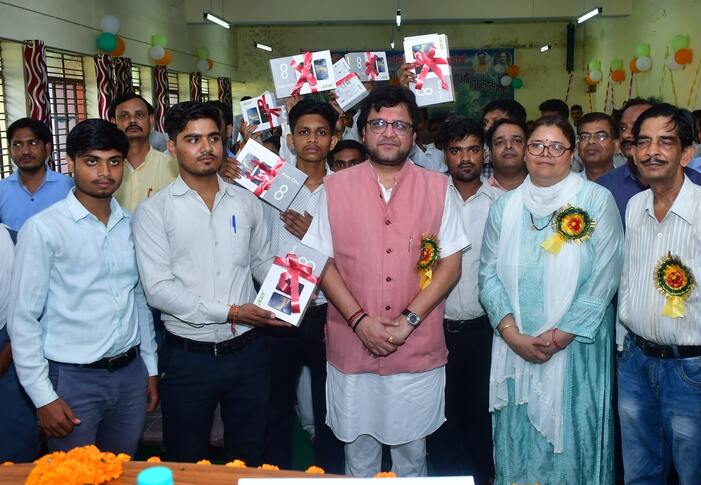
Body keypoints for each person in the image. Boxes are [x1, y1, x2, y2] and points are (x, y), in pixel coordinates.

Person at [302, 85, 468, 477]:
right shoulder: (333, 189)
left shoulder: (438, 187)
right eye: (378, 123)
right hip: (351, 346)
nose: (389, 132)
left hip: (416, 346)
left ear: (413, 134)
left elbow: (451, 265)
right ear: (362, 133)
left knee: (412, 455)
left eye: (400, 125)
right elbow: (321, 262)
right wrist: (359, 320)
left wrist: (409, 320)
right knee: (359, 455)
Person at [132, 101, 284, 466]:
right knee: (186, 458)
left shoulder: (246, 201)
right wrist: (232, 312)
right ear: (173, 147)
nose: (206, 148)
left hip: (248, 353)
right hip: (188, 358)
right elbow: (159, 290)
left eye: (214, 138)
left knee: (249, 455)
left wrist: (291, 295)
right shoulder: (154, 211)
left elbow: (262, 260)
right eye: (193, 139)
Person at [480, 115, 623, 484]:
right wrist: (511, 335)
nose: (546, 153)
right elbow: (487, 274)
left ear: (571, 154)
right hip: (515, 348)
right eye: (537, 145)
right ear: (526, 152)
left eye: (556, 146)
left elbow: (605, 277)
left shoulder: (595, 200)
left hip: (575, 350)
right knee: (519, 445)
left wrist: (561, 336)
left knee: (573, 444)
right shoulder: (504, 206)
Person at [617, 103, 701, 485]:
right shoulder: (634, 206)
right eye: (643, 142)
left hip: (695, 372)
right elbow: (630, 279)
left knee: (695, 476)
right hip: (636, 364)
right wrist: (623, 347)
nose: (651, 151)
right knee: (639, 475)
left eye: (665, 142)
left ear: (687, 153)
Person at [8, 119, 158, 455]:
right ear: (70, 162)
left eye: (114, 161)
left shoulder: (130, 225)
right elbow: (23, 318)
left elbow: (138, 299)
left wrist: (149, 368)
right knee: (74, 475)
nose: (104, 172)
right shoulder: (44, 229)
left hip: (130, 375)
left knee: (122, 469)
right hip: (72, 381)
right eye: (92, 161)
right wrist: (43, 397)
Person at [261, 99, 344, 473]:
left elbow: (355, 252)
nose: (312, 140)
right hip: (280, 305)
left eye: (321, 132)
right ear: (290, 139)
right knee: (276, 402)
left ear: (333, 140)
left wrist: (316, 235)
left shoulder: (344, 188)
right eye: (304, 132)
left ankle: (330, 473)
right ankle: (275, 474)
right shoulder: (271, 183)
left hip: (330, 307)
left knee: (331, 402)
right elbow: (257, 243)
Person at [427, 116, 496, 484]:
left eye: (472, 149)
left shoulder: (502, 203)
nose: (465, 158)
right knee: (440, 417)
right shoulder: (429, 199)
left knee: (482, 417)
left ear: (484, 153)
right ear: (445, 155)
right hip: (434, 328)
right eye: (456, 151)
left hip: (486, 331)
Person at [597, 97, 701, 221]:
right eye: (623, 128)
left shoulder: (697, 183)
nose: (626, 134)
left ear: (685, 153)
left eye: (636, 126)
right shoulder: (608, 189)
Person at [0, 223, 39, 463]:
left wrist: (8, 350)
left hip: (11, 359)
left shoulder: (15, 242)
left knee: (13, 456)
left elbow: (29, 311)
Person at [0, 118, 74, 238]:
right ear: (9, 150)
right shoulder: (2, 190)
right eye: (17, 145)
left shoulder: (70, 188)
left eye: (33, 143)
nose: (25, 151)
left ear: (47, 148)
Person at [110, 93, 178, 212]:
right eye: (124, 116)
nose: (132, 121)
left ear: (151, 121)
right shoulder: (106, 169)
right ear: (114, 122)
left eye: (139, 115)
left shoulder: (173, 167)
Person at [480, 99, 527, 179]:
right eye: (485, 123)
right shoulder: (479, 159)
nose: (487, 128)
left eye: (496, 122)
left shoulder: (535, 162)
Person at [486, 118, 528, 192]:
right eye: (499, 142)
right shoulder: (479, 193)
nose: (508, 146)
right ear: (490, 153)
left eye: (516, 141)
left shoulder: (545, 188)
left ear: (528, 148)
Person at [577, 112, 619, 181]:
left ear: (616, 145)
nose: (591, 141)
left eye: (601, 136)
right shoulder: (569, 186)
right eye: (585, 137)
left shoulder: (631, 185)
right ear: (578, 146)